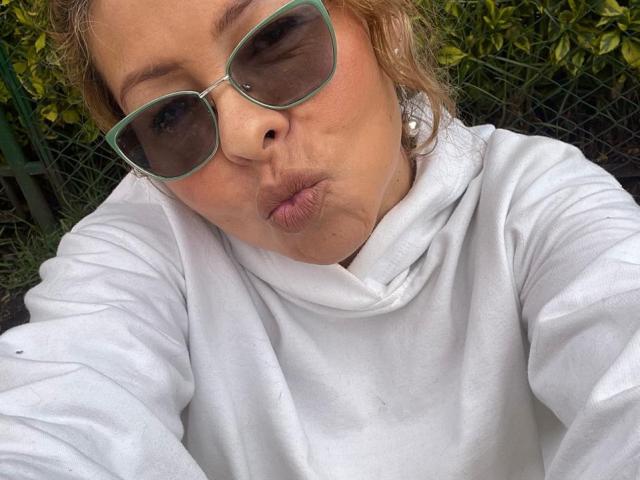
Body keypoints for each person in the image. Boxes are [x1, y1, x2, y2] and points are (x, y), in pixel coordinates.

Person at [1, 0, 639, 478]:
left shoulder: (534, 204)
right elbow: (56, 412)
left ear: (378, 18)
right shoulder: (146, 248)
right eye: (169, 114)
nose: (245, 134)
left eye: (273, 38)